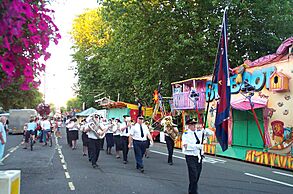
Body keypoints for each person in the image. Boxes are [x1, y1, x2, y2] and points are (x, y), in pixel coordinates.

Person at [182, 118, 214, 194]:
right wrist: (197, 146)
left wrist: (204, 129)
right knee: (193, 174)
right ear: (189, 126)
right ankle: (193, 192)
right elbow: (186, 146)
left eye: (195, 124)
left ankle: (192, 190)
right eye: (192, 125)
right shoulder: (186, 134)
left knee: (197, 175)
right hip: (190, 157)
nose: (194, 126)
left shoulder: (199, 132)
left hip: (199, 157)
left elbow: (211, 133)